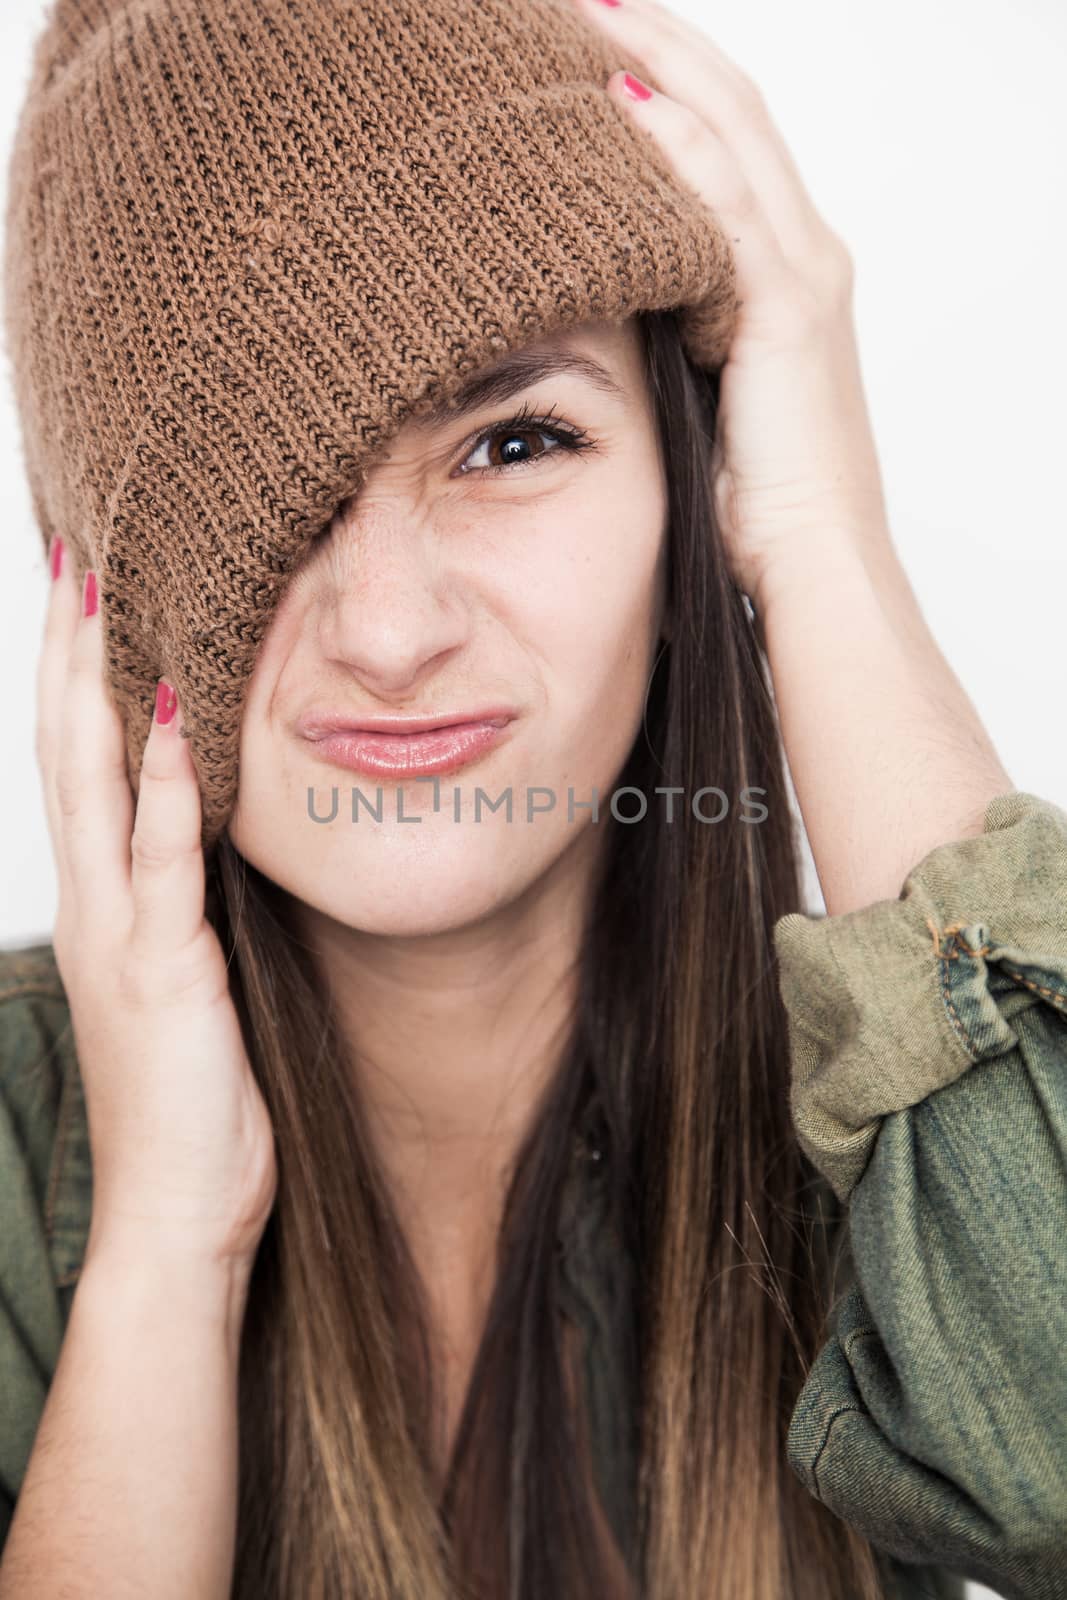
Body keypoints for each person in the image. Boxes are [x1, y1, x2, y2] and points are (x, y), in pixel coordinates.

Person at [0, 1, 1065, 1598]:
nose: (389, 628)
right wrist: (166, 1248)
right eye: (265, 497)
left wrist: (823, 534)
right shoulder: (21, 1139)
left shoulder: (888, 1136)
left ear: (688, 484)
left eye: (513, 440)